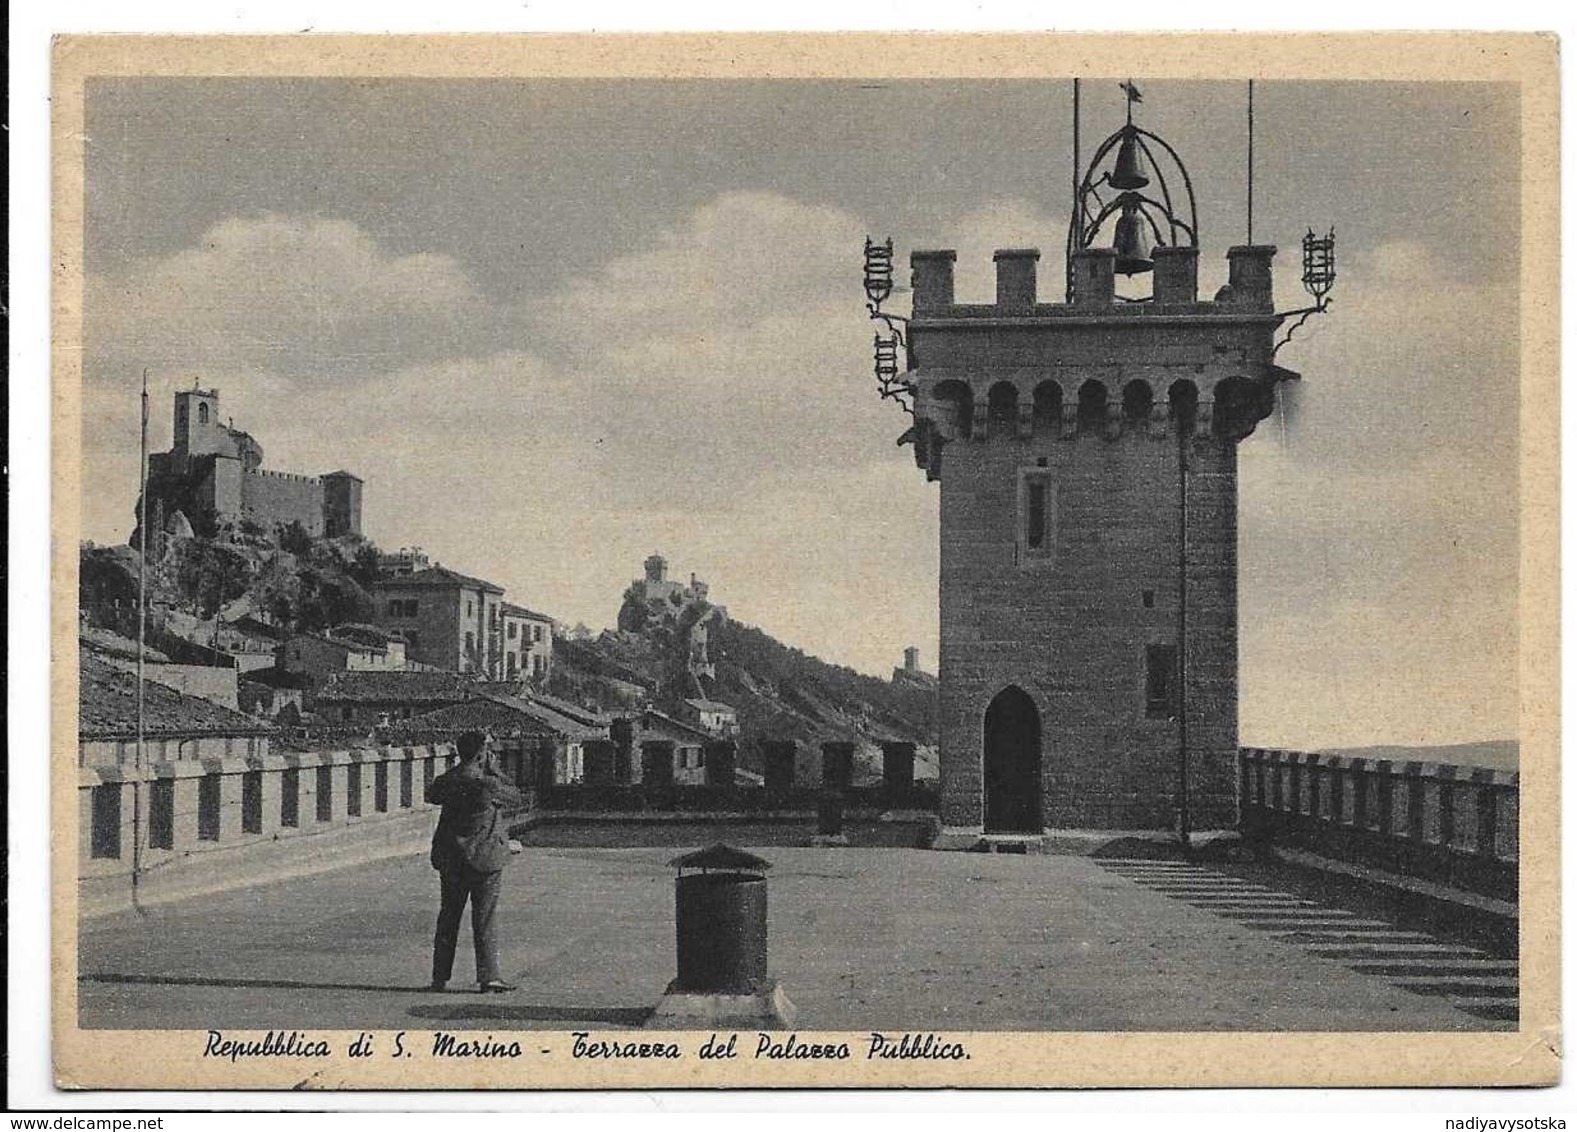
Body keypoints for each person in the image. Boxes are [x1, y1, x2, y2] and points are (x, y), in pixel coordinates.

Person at [426, 730, 524, 993]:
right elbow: (516, 796)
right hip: (485, 859)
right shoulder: (487, 785)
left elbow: (431, 793)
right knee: (484, 919)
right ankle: (489, 976)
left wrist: (461, 767)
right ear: (482, 753)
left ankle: (439, 976)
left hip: (452, 859)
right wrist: (495, 770)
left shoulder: (449, 781)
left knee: (448, 916)